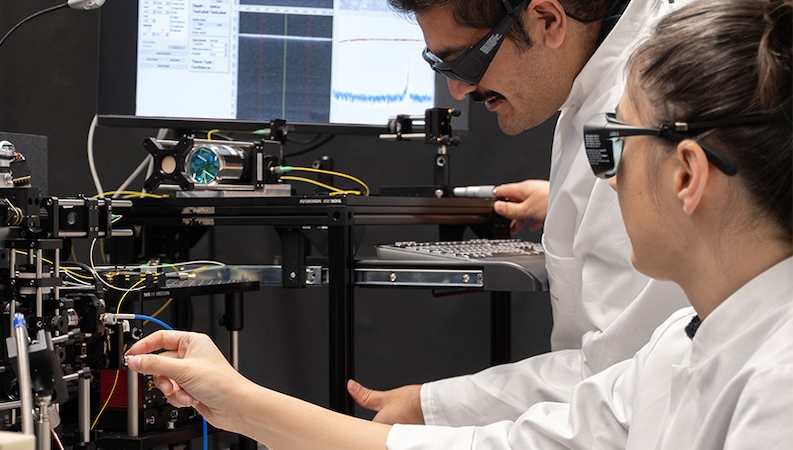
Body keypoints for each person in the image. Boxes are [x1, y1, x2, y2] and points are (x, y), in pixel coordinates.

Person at [125, 2, 793, 447]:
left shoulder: (777, 384)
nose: (602, 183)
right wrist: (238, 401)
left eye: (610, 149)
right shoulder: (683, 342)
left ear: (686, 176)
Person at [347, 0, 692, 426]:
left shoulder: (648, 101)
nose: (458, 91)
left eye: (466, 63)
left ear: (547, 20)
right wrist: (567, 203)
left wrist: (432, 408)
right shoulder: (602, 72)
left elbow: (617, 384)